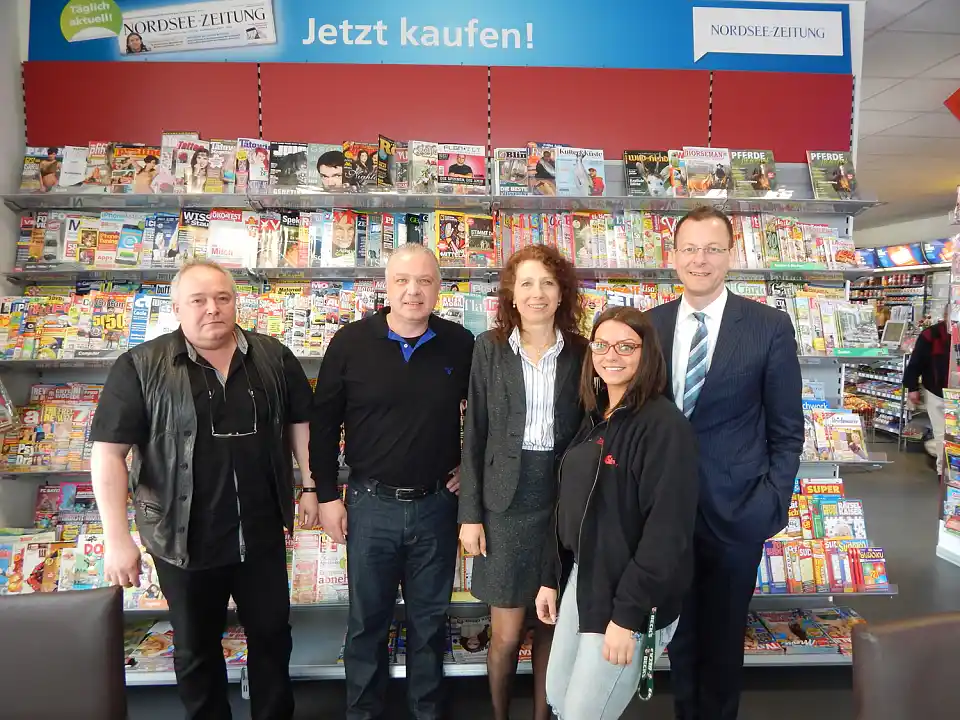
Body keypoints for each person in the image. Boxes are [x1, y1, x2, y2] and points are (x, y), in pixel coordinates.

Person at [89, 259, 318, 720]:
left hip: (260, 533)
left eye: (222, 298)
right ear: (176, 308)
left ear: (236, 302)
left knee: (273, 637)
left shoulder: (273, 357)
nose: (212, 308)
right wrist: (116, 538)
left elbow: (300, 423)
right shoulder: (141, 365)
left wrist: (310, 485)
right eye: (198, 300)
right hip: (182, 537)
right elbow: (109, 454)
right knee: (196, 648)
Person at [646, 206, 803, 720]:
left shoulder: (768, 326)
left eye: (713, 249)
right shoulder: (650, 325)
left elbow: (787, 429)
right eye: (690, 248)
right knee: (678, 637)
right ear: (673, 256)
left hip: (738, 512)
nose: (701, 259)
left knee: (723, 642)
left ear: (731, 255)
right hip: (666, 514)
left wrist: (771, 502)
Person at [310, 243, 475, 720]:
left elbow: (486, 415)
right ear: (386, 286)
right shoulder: (350, 342)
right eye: (402, 280)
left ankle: (426, 711)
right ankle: (362, 713)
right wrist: (326, 496)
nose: (413, 291)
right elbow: (324, 424)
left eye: (424, 281)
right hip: (370, 504)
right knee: (366, 624)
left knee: (429, 623)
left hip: (436, 506)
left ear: (438, 288)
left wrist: (470, 467)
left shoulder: (460, 343)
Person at [535, 306, 698, 720]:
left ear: (648, 354)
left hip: (630, 595)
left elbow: (667, 535)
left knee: (583, 712)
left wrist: (627, 618)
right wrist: (550, 579)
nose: (612, 355)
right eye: (602, 345)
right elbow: (570, 502)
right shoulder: (596, 415)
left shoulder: (663, 426)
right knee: (557, 695)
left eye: (626, 346)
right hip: (584, 577)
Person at [460, 244, 587, 720]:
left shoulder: (581, 351)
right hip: (504, 504)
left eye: (548, 283)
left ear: (562, 294)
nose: (538, 293)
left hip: (561, 501)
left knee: (553, 627)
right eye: (527, 283)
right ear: (512, 294)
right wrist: (470, 515)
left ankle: (542, 715)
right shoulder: (489, 348)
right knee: (507, 634)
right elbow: (474, 434)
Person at [905, 309, 951, 468]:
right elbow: (916, 362)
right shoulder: (930, 335)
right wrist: (912, 387)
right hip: (936, 391)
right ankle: (942, 470)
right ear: (946, 315)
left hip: (952, 391)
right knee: (941, 433)